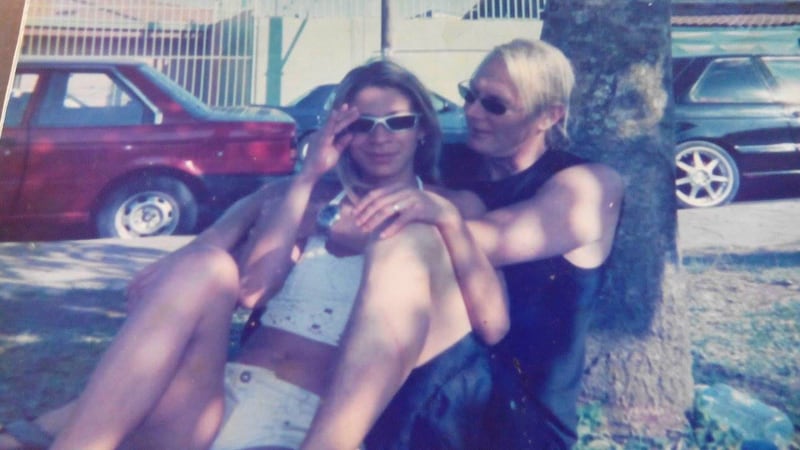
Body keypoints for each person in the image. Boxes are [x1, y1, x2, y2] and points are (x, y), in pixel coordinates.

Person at [0, 59, 505, 450]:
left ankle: (50, 430)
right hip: (215, 399)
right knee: (207, 266)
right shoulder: (304, 200)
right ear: (340, 133)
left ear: (423, 129)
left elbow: (492, 325)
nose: (380, 138)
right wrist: (306, 178)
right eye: (363, 124)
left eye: (397, 122)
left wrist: (447, 222)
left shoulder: (454, 208)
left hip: (303, 420)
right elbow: (252, 291)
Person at [301, 38, 624, 449]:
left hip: (517, 417)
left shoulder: (587, 187)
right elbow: (345, 193)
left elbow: (452, 241)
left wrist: (436, 220)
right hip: (419, 386)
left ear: (549, 116)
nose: (472, 112)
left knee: (408, 245)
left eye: (495, 105)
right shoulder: (451, 163)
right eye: (470, 95)